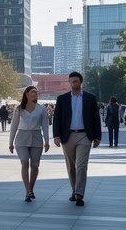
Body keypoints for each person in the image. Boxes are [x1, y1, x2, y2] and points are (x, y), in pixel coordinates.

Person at [52, 71, 101, 206]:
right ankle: (74, 190)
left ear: (81, 82)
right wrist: (56, 135)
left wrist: (97, 137)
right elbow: (57, 118)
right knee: (71, 166)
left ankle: (79, 194)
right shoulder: (63, 99)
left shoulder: (90, 98)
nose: (74, 84)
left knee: (81, 166)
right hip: (68, 136)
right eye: (71, 81)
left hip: (85, 136)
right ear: (69, 83)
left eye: (76, 81)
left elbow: (95, 118)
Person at [8, 86, 50, 201]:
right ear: (26, 94)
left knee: (35, 165)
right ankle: (27, 191)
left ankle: (31, 189)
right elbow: (14, 126)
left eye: (36, 93)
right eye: (32, 92)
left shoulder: (41, 109)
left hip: (36, 137)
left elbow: (45, 126)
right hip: (22, 138)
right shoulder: (19, 109)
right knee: (24, 162)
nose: (34, 94)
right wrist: (10, 142)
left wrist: (47, 141)